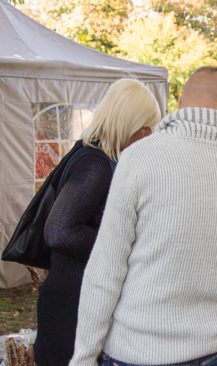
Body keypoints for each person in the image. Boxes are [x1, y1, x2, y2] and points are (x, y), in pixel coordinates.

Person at [69, 66, 217, 366]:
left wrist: (84, 356)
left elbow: (106, 270)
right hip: (212, 349)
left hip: (136, 351)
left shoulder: (139, 157)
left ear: (180, 102)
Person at [34, 79, 161, 366]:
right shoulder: (95, 164)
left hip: (73, 299)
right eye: (145, 127)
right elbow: (60, 230)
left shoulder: (90, 152)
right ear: (127, 123)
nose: (149, 134)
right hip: (72, 305)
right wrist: (120, 249)